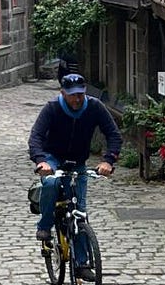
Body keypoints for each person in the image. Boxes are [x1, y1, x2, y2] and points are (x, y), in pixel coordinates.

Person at [29, 71, 121, 254]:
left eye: (80, 93)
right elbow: (36, 137)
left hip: (78, 160)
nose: (77, 99)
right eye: (72, 95)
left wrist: (108, 160)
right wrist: (41, 161)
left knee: (79, 211)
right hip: (52, 157)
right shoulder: (52, 108)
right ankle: (45, 226)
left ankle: (82, 263)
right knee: (51, 182)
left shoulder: (95, 107)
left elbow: (114, 135)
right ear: (63, 93)